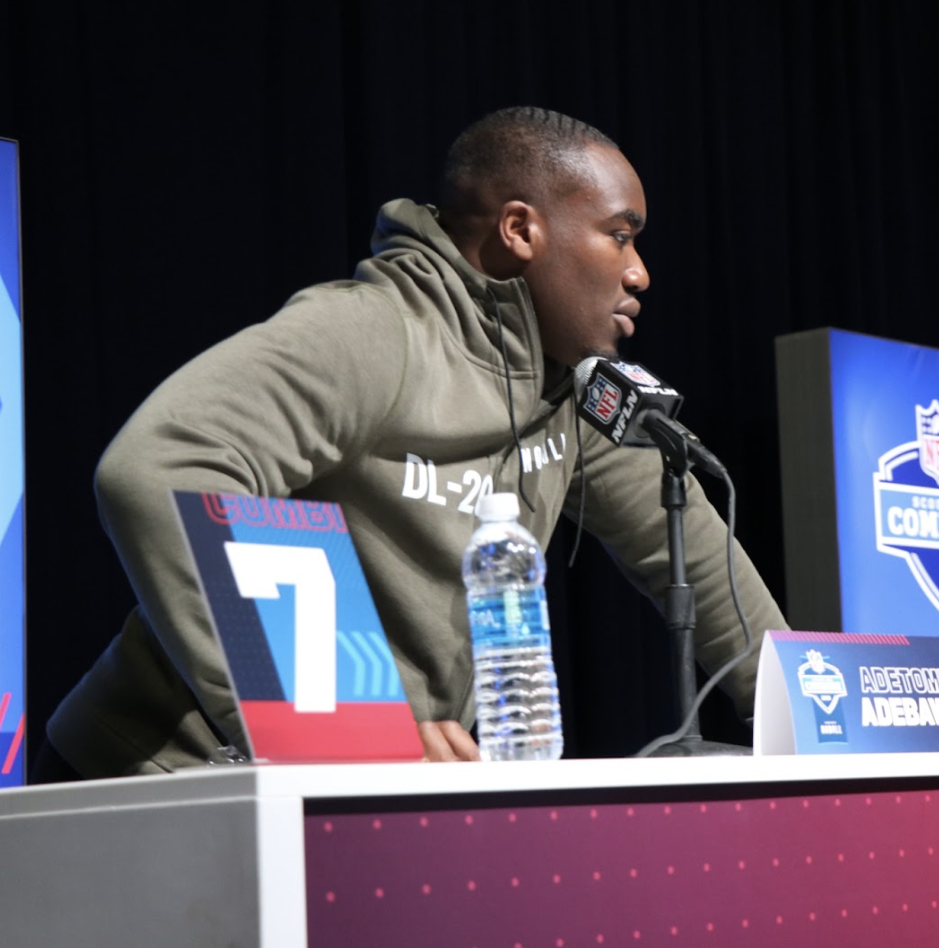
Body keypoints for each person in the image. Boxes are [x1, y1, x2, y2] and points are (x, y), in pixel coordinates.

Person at [40, 106, 787, 777]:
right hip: (156, 773)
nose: (639, 272)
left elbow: (687, 550)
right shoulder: (379, 331)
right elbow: (162, 466)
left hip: (355, 782)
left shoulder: (568, 391)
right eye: (619, 236)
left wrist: (804, 718)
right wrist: (344, 721)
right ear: (522, 230)